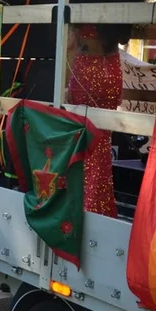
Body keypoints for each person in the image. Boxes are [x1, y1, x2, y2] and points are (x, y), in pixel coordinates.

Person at [66, 25, 122, 217]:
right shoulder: (118, 5)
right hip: (112, 69)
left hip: (86, 73)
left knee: (84, 141)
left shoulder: (81, 12)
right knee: (102, 143)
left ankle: (85, 209)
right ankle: (100, 209)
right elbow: (123, 38)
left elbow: (69, 46)